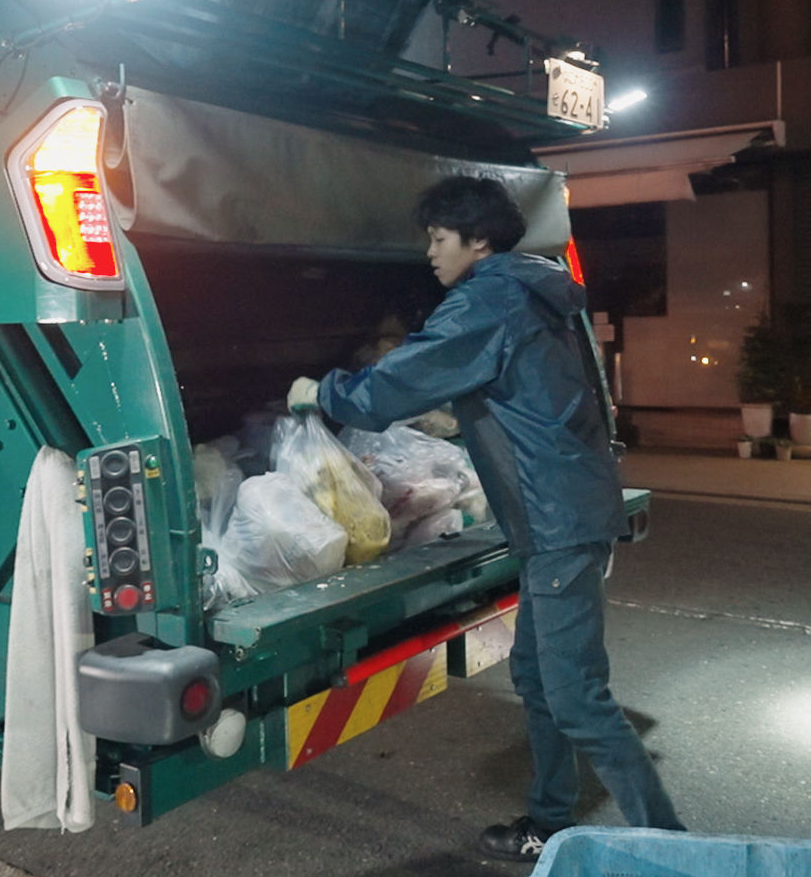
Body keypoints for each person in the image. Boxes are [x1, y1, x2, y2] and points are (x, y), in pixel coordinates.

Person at [287, 175, 683, 863]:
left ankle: (676, 852)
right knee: (536, 678)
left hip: (557, 522)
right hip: (559, 514)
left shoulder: (487, 300)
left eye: (439, 239)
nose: (431, 254)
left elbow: (399, 381)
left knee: (577, 698)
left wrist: (322, 392)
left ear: (477, 240)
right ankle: (551, 823)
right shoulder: (532, 287)